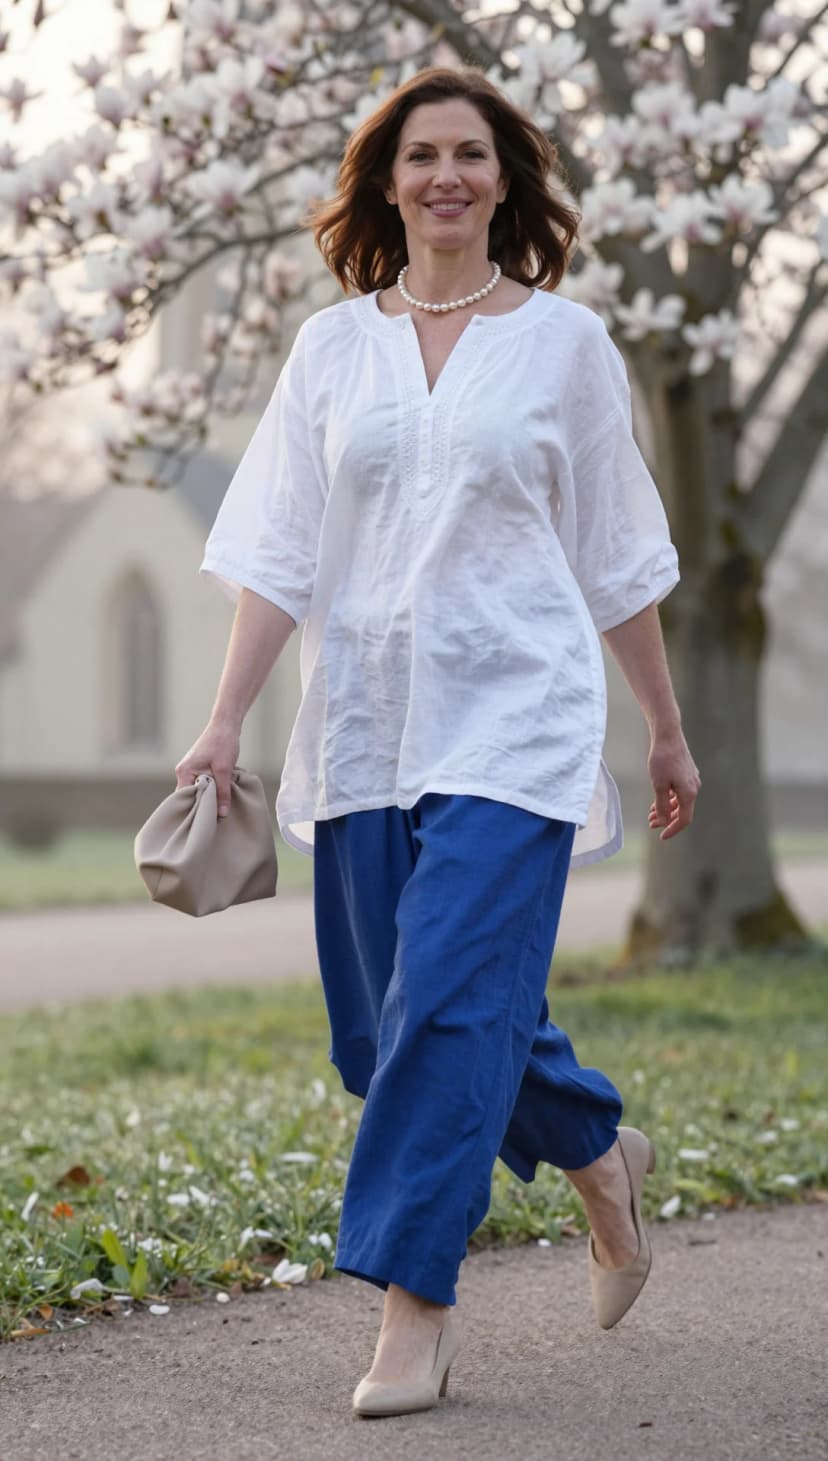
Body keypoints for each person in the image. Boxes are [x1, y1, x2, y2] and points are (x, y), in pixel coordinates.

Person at [175, 64, 701, 1418]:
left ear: (507, 180)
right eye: (423, 156)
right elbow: (282, 554)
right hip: (360, 727)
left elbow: (617, 554)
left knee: (450, 1006)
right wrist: (227, 717)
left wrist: (666, 729)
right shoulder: (329, 350)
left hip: (514, 722)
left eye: (474, 153)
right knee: (384, 1037)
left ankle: (415, 1313)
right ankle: (599, 1151)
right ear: (388, 181)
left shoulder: (567, 346)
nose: (448, 176)